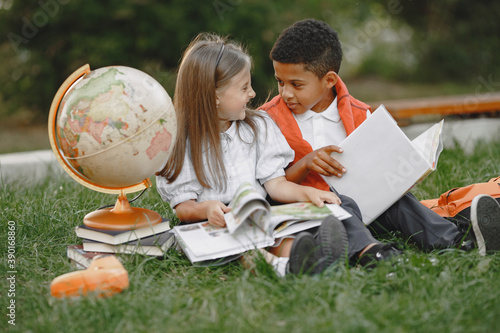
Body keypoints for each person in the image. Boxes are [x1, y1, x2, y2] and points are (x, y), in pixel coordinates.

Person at [260, 18, 500, 255]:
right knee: (344, 207)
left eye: (296, 84)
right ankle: (375, 253)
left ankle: (459, 242)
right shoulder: (268, 120)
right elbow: (271, 186)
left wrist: (402, 173)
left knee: (401, 201)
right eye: (280, 82)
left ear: (329, 80)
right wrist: (305, 164)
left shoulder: (360, 113)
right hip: (309, 211)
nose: (286, 93)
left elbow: (376, 170)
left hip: (365, 203)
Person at [156, 33, 353, 276]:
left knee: (282, 238)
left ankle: (311, 256)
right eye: (244, 88)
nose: (252, 94)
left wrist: (308, 192)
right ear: (214, 96)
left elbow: (276, 185)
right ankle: (280, 268)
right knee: (244, 248)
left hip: (258, 213)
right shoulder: (181, 142)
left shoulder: (258, 125)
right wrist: (206, 209)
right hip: (216, 222)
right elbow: (183, 207)